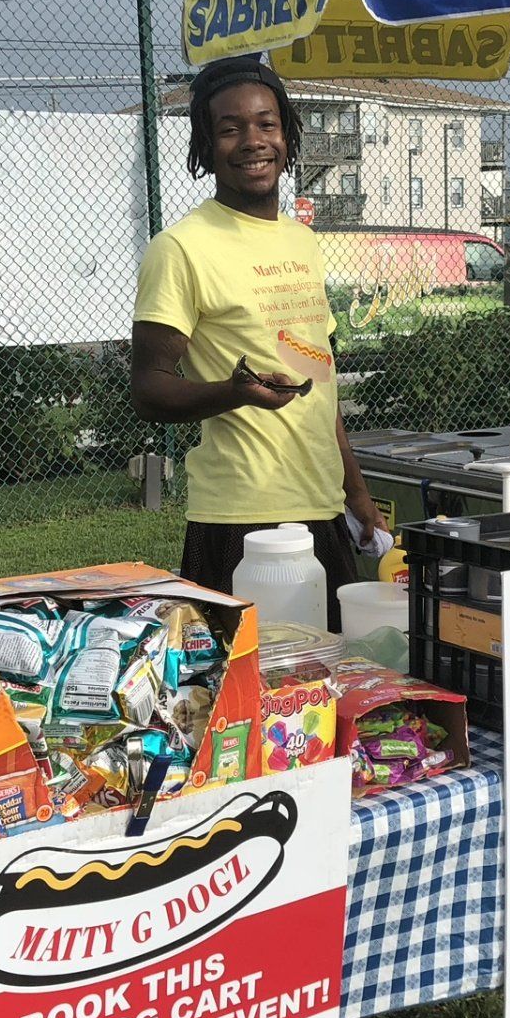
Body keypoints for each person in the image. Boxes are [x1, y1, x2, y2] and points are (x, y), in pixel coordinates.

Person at [130, 56, 387, 629]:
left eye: (266, 124)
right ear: (206, 142)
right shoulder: (181, 248)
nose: (253, 141)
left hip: (321, 510)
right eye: (230, 128)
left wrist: (356, 493)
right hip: (239, 519)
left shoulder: (302, 241)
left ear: (288, 134)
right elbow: (148, 389)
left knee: (329, 689)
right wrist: (236, 392)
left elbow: (316, 382)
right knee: (244, 702)